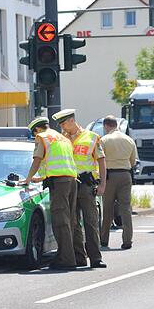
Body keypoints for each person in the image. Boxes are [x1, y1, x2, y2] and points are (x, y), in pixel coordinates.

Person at [20, 115, 78, 270]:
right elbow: (59, 162)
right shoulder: (62, 138)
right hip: (71, 180)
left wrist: (28, 178)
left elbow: (37, 159)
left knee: (60, 221)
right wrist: (42, 178)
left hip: (59, 183)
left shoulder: (43, 137)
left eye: (33, 134)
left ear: (37, 129)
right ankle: (72, 256)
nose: (34, 138)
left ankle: (66, 259)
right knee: (70, 220)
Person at [55, 108, 107, 269]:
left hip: (86, 184)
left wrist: (103, 183)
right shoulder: (61, 139)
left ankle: (95, 258)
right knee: (73, 222)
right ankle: (79, 257)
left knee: (90, 221)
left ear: (72, 120)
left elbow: (101, 161)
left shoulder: (91, 137)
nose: (62, 127)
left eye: (64, 123)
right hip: (69, 184)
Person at [99, 115, 137, 250]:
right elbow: (133, 162)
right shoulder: (129, 140)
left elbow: (100, 160)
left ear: (106, 126)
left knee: (107, 209)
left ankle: (104, 240)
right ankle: (127, 240)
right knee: (125, 208)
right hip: (125, 175)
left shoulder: (103, 140)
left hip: (109, 176)